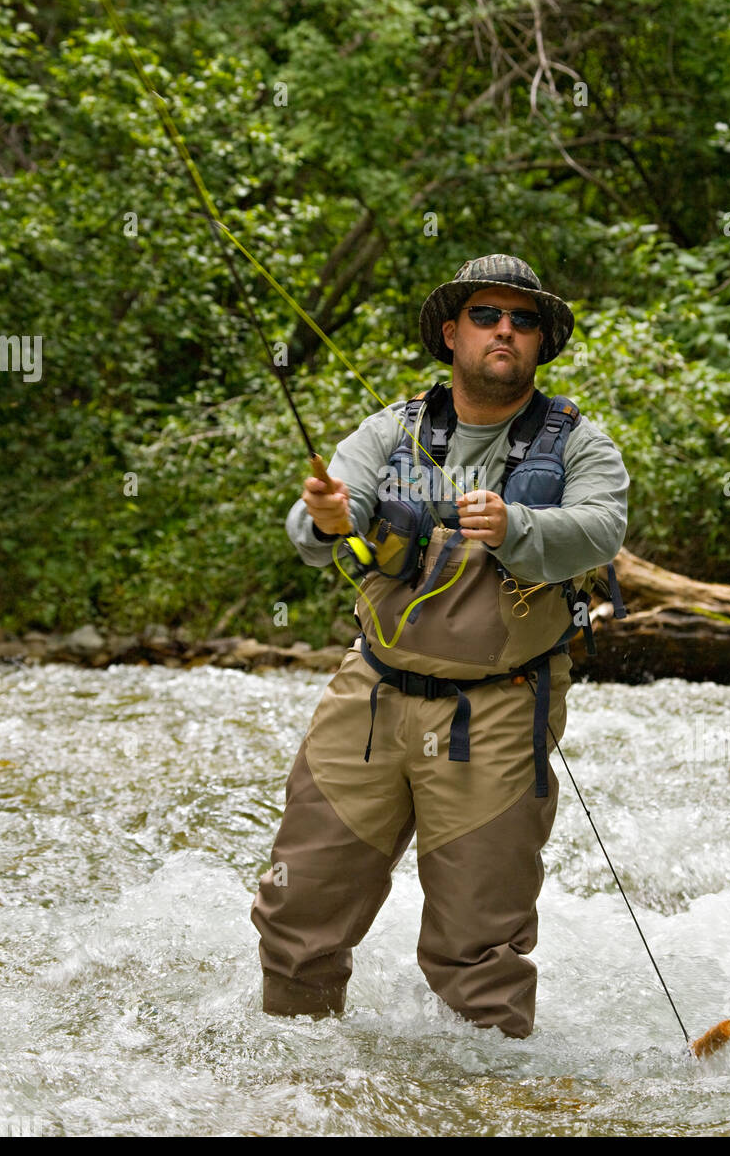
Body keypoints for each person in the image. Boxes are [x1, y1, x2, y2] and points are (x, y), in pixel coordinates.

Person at [250, 253, 629, 1038]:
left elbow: (602, 530)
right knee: (298, 912)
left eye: (524, 321)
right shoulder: (390, 430)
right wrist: (321, 519)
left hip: (501, 705)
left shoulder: (581, 444)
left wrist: (518, 526)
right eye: (488, 316)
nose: (506, 331)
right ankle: (290, 1093)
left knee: (478, 950)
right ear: (452, 331)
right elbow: (326, 518)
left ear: (541, 342)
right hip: (372, 692)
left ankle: (486, 1109)